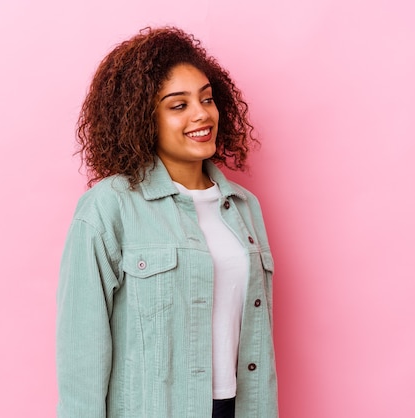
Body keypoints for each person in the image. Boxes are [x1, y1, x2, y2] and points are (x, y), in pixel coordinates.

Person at [56, 26, 278, 418]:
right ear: (144, 117)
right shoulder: (109, 208)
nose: (202, 114)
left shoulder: (245, 208)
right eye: (178, 106)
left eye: (207, 99)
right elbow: (81, 357)